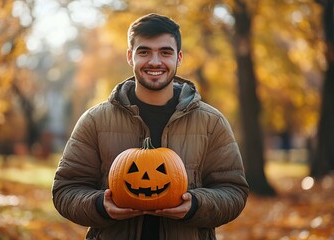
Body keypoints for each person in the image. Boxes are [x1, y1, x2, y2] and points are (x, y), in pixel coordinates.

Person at [52, 13, 249, 240]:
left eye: (165, 52)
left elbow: (234, 191)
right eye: (144, 52)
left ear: (179, 58)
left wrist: (195, 205)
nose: (155, 62)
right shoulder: (95, 121)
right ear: (130, 57)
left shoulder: (211, 123)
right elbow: (65, 190)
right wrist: (99, 205)